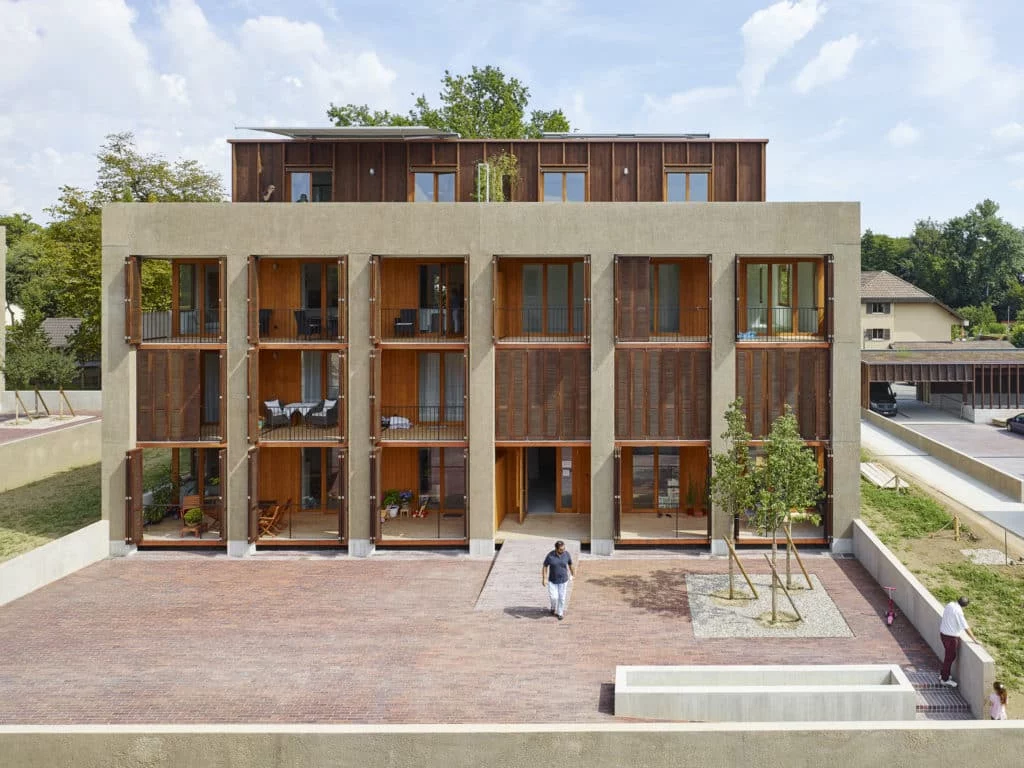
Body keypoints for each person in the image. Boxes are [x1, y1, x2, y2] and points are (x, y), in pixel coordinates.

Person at [939, 596, 978, 687]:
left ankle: (943, 674)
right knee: (950, 657)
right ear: (965, 606)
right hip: (951, 638)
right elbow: (966, 627)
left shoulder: (950, 604)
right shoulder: (959, 612)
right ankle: (944, 679)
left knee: (948, 656)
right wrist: (974, 639)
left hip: (943, 634)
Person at [541, 540, 575, 620]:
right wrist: (544, 578)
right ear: (556, 549)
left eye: (564, 549)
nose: (563, 550)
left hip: (563, 580)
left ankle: (560, 613)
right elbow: (545, 566)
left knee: (562, 598)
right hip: (552, 580)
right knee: (554, 597)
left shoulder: (566, 554)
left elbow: (570, 564)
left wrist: (573, 574)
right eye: (561, 549)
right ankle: (553, 607)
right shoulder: (550, 556)